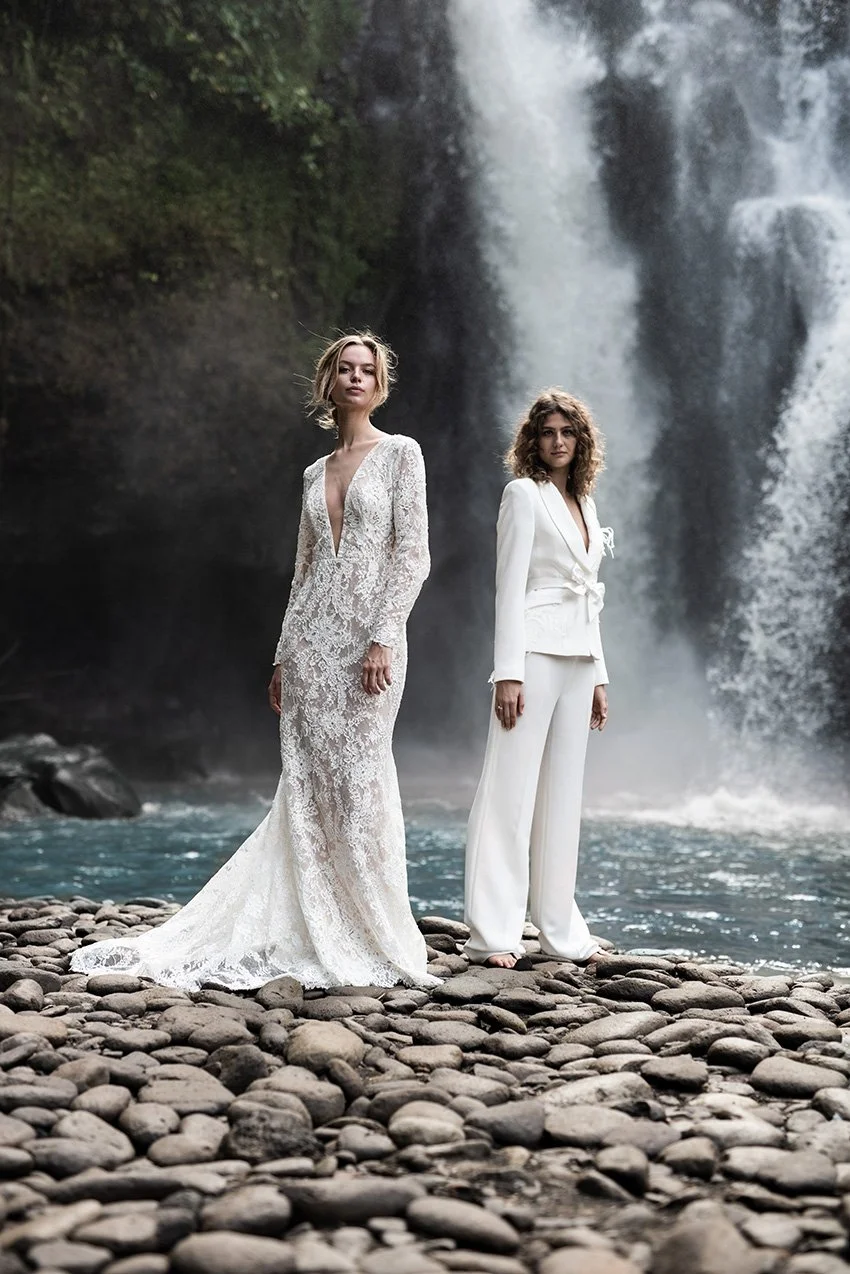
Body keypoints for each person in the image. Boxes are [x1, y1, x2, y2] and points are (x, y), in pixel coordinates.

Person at [72, 332, 436, 991]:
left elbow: (412, 557)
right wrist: (280, 659)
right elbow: (301, 574)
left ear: (381, 385)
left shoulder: (402, 454)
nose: (357, 377)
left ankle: (374, 930)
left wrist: (384, 635)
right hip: (309, 650)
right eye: (345, 369)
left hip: (368, 647)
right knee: (309, 788)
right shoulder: (311, 473)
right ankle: (315, 921)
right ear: (329, 381)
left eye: (368, 370)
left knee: (362, 783)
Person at [463, 388, 612, 970]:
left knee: (562, 797)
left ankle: (558, 929)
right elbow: (510, 588)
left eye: (567, 433)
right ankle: (492, 933)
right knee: (509, 790)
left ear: (581, 442)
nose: (557, 442)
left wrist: (600, 675)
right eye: (548, 432)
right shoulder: (523, 495)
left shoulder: (586, 504)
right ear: (534, 440)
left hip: (579, 660)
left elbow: (591, 598)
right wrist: (508, 672)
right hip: (534, 655)